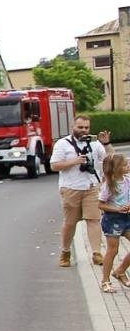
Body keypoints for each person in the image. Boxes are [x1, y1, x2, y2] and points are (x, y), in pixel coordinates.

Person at [53, 115, 108, 268]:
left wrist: (107, 144)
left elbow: (107, 161)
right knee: (70, 223)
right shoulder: (63, 144)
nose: (84, 130)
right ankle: (65, 252)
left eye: (86, 128)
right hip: (71, 187)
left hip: (91, 187)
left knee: (93, 220)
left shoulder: (95, 145)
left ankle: (96, 253)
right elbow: (54, 165)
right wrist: (74, 161)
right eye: (80, 127)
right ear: (73, 127)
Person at [98, 153, 130, 293]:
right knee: (113, 250)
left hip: (127, 217)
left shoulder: (127, 181)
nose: (128, 166)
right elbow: (101, 205)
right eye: (124, 165)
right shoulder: (109, 185)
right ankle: (105, 280)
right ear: (116, 169)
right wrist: (117, 209)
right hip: (112, 219)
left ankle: (120, 270)